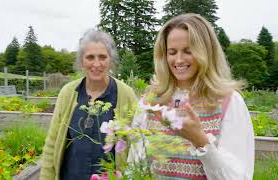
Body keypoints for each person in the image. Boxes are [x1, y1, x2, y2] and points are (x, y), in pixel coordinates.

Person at [130, 13, 254, 179]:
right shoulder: (150, 102)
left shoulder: (229, 102)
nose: (179, 60)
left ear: (206, 53)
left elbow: (238, 176)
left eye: (188, 51)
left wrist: (201, 141)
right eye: (172, 52)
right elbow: (135, 167)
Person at [40, 29, 137, 180]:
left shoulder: (126, 94)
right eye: (90, 57)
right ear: (81, 61)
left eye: (102, 57)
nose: (96, 64)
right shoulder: (68, 93)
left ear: (110, 60)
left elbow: (135, 145)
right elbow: (52, 143)